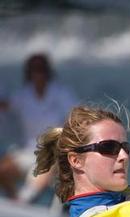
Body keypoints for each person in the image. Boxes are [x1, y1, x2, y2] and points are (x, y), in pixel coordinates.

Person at [0, 54, 76, 202]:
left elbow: (76, 117)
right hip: (27, 149)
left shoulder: (61, 94)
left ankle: (22, 203)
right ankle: (15, 203)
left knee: (46, 167)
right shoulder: (23, 95)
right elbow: (5, 106)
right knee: (3, 169)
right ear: (28, 73)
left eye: (41, 69)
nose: (38, 73)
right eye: (34, 69)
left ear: (47, 71)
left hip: (53, 150)